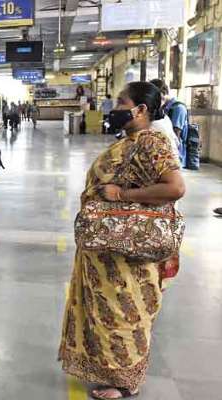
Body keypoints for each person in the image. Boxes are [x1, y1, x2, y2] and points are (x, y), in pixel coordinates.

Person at [59, 82, 186, 400]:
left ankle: (125, 382)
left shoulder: (153, 141)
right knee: (108, 313)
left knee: (125, 313)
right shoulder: (130, 140)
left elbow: (175, 187)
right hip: (107, 249)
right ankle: (108, 371)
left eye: (121, 102)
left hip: (128, 252)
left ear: (141, 110)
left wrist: (123, 194)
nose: (114, 108)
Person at [151, 79, 188, 166]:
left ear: (163, 93)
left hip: (173, 155)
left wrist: (172, 158)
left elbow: (176, 136)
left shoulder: (178, 108)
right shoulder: (164, 108)